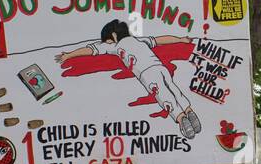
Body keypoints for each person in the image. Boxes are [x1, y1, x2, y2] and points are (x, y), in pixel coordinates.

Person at [55, 20, 202, 139]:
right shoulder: (139, 40)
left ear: (112, 36)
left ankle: (181, 117)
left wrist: (68, 55)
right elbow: (160, 40)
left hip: (146, 73)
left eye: (107, 40)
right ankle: (188, 110)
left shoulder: (115, 46)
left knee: (163, 95)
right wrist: (181, 39)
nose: (107, 43)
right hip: (159, 67)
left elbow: (90, 50)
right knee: (174, 88)